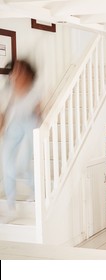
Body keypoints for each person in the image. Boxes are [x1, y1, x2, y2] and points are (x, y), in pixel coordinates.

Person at [0, 59, 42, 221]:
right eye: (14, 70)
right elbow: (3, 113)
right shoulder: (8, 91)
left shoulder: (35, 91)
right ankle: (11, 208)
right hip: (12, 129)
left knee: (23, 165)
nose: (15, 73)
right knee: (7, 167)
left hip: (29, 128)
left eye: (19, 70)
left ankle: (36, 192)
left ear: (27, 73)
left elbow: (39, 113)